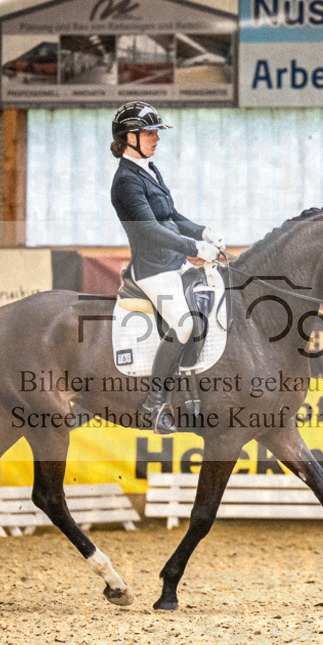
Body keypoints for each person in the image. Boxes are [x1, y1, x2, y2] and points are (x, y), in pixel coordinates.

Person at [110, 101, 225, 434]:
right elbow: (149, 229)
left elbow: (170, 217)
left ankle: (191, 396)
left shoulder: (149, 169)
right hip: (152, 269)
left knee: (208, 301)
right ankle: (152, 404)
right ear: (128, 137)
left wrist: (202, 231)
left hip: (172, 263)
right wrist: (194, 247)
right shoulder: (126, 182)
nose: (156, 139)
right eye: (148, 133)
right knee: (186, 324)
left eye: (156, 133)